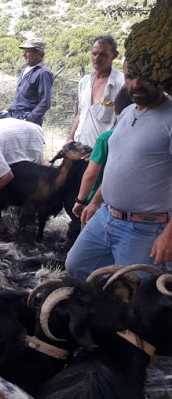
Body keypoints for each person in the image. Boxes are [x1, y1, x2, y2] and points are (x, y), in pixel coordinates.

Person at [65, 60, 172, 280]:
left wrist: (170, 235)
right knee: (77, 266)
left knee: (132, 291)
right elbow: (118, 164)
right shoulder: (127, 112)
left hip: (145, 227)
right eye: (130, 76)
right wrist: (95, 201)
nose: (136, 84)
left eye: (144, 77)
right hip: (106, 215)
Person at [71, 86, 132, 223]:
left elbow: (91, 174)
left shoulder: (105, 138)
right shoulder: (142, 139)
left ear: (115, 110)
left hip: (97, 202)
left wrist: (80, 200)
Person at [66, 35, 124, 147]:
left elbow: (123, 120)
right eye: (94, 54)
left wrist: (101, 147)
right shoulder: (84, 82)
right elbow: (81, 112)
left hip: (102, 154)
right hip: (78, 148)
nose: (96, 58)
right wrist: (70, 138)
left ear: (114, 55)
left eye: (103, 54)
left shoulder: (121, 84)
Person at [5, 37, 54, 126]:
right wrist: (7, 111)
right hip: (14, 115)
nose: (23, 54)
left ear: (38, 53)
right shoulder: (25, 69)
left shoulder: (43, 73)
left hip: (26, 119)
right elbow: (21, 98)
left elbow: (45, 102)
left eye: (27, 51)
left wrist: (29, 119)